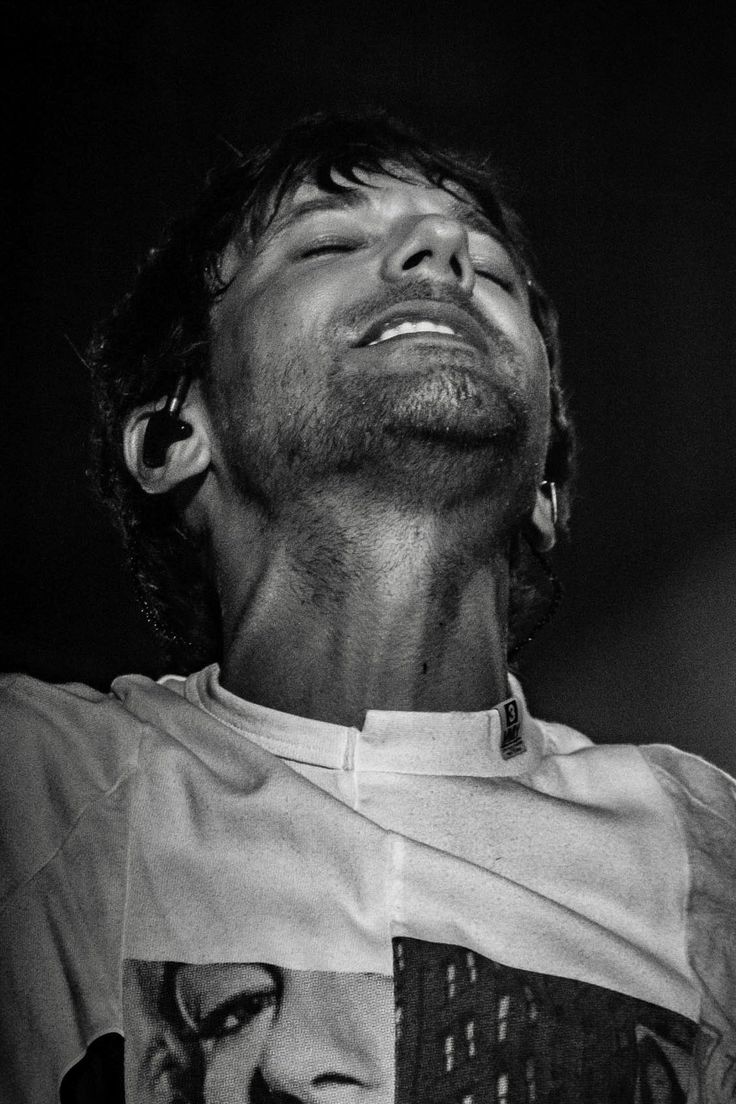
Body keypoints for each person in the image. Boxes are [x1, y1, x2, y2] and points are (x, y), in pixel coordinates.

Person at [1, 110, 734, 1103]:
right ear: (175, 435)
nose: (440, 250)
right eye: (329, 241)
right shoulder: (37, 782)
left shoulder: (706, 850)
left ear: (545, 494)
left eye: (492, 267)